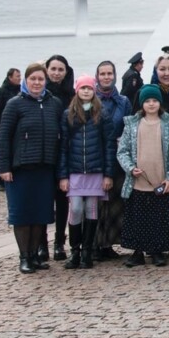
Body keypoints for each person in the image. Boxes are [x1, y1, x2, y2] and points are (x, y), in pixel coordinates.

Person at [0, 63, 64, 274]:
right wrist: (4, 167)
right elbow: (4, 137)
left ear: (46, 81)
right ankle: (24, 256)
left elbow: (61, 136)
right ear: (26, 81)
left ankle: (35, 255)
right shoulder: (14, 104)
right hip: (21, 169)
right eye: (32, 79)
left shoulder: (54, 103)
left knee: (40, 214)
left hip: (45, 168)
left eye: (40, 79)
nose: (36, 83)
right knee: (22, 214)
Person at [117, 84, 169, 267]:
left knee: (159, 218)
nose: (151, 104)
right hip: (138, 181)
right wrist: (130, 168)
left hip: (161, 180)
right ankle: (137, 251)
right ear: (141, 104)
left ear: (160, 103)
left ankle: (157, 251)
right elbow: (122, 151)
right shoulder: (132, 123)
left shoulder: (168, 123)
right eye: (147, 101)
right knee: (137, 217)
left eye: (155, 100)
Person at [58, 74, 115, 269]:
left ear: (94, 91)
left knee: (91, 209)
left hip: (95, 169)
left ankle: (87, 251)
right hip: (75, 170)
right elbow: (63, 147)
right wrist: (63, 175)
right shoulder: (68, 114)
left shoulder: (102, 113)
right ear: (77, 90)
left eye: (89, 88)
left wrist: (108, 174)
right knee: (75, 209)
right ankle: (75, 250)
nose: (86, 91)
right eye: (83, 88)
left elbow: (108, 145)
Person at [93, 60, 132, 260]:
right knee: (98, 202)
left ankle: (109, 243)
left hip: (118, 158)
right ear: (97, 76)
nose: (106, 77)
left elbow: (129, 125)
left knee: (116, 202)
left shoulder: (123, 101)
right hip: (96, 156)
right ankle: (95, 243)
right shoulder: (91, 99)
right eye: (103, 73)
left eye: (110, 73)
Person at [44, 54, 74, 261]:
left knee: (63, 201)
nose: (56, 73)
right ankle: (40, 243)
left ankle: (59, 241)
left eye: (60, 69)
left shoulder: (70, 95)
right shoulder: (41, 94)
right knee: (44, 201)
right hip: (45, 153)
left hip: (65, 151)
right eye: (53, 69)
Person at [0, 67, 21, 191]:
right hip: (3, 125)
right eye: (17, 76)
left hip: (16, 126)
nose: (19, 78)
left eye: (20, 76)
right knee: (1, 153)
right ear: (10, 77)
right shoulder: (1, 91)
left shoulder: (20, 91)